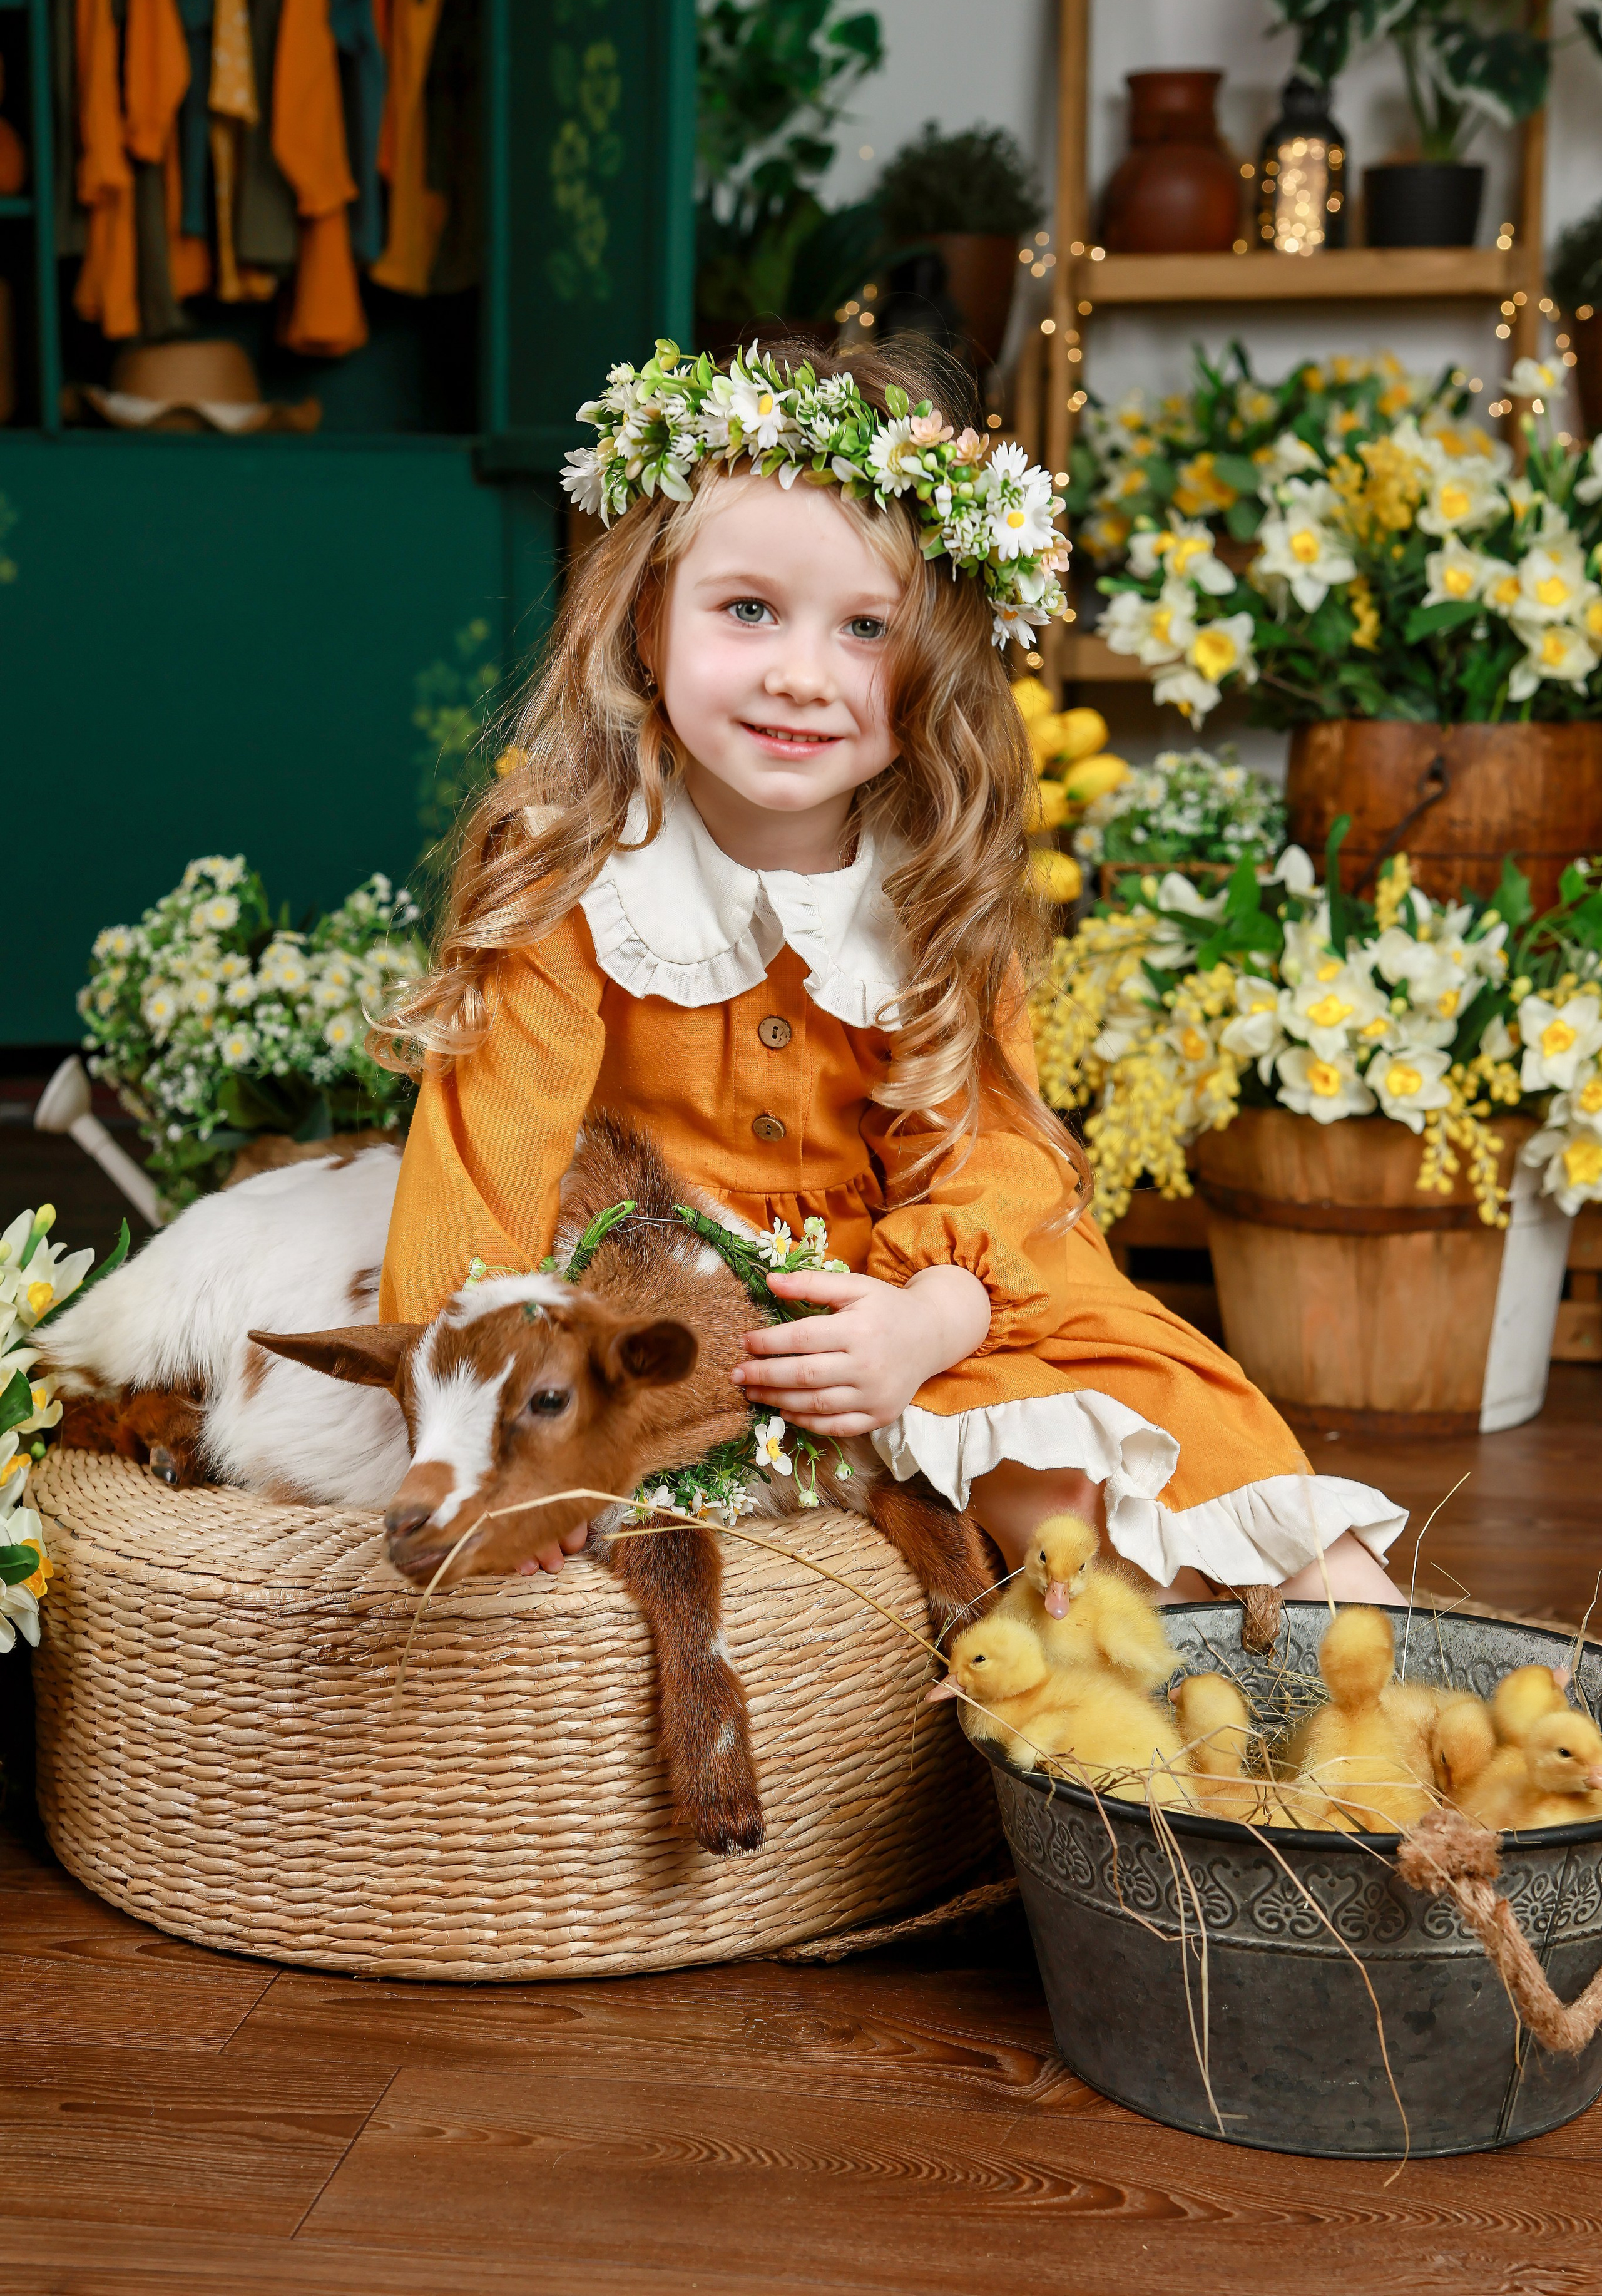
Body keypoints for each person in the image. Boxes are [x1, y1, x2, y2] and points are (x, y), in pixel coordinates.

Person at [374, 335, 1406, 1600]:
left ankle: (1377, 1723)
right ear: (647, 614)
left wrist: (927, 1324)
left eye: (867, 628)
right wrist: (485, 1434)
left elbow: (994, 1160)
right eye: (746, 610)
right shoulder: (571, 868)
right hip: (673, 1327)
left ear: (936, 664)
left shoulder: (934, 879)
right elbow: (483, 1175)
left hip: (917, 1299)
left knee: (1170, 1476)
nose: (802, 675)